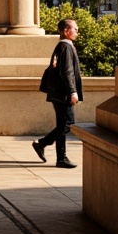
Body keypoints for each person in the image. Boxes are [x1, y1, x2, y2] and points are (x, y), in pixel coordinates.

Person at [32, 17, 82, 169]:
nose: (77, 32)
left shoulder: (63, 46)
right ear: (66, 31)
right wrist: (72, 91)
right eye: (75, 29)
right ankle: (44, 144)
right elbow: (67, 72)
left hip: (58, 93)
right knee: (67, 124)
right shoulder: (65, 47)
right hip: (63, 94)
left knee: (63, 124)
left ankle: (60, 157)